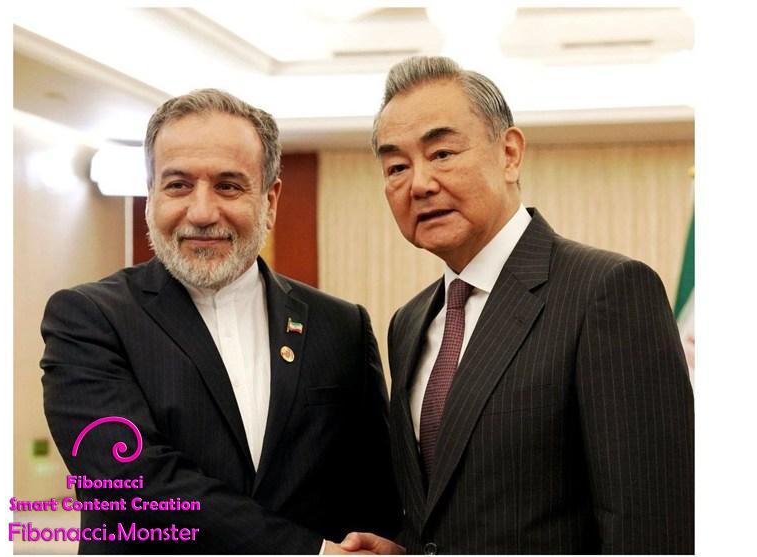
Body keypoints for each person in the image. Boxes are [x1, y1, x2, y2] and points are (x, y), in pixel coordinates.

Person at [341, 56, 694, 554]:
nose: (419, 183)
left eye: (442, 153)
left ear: (509, 154)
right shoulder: (409, 323)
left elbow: (652, 525)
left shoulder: (607, 291)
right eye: (397, 167)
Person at [41, 89, 400, 554]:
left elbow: (376, 488)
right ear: (150, 197)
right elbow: (130, 482)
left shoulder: (341, 326)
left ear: (270, 201)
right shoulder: (89, 319)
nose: (202, 212)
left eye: (228, 186)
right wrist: (310, 552)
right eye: (178, 185)